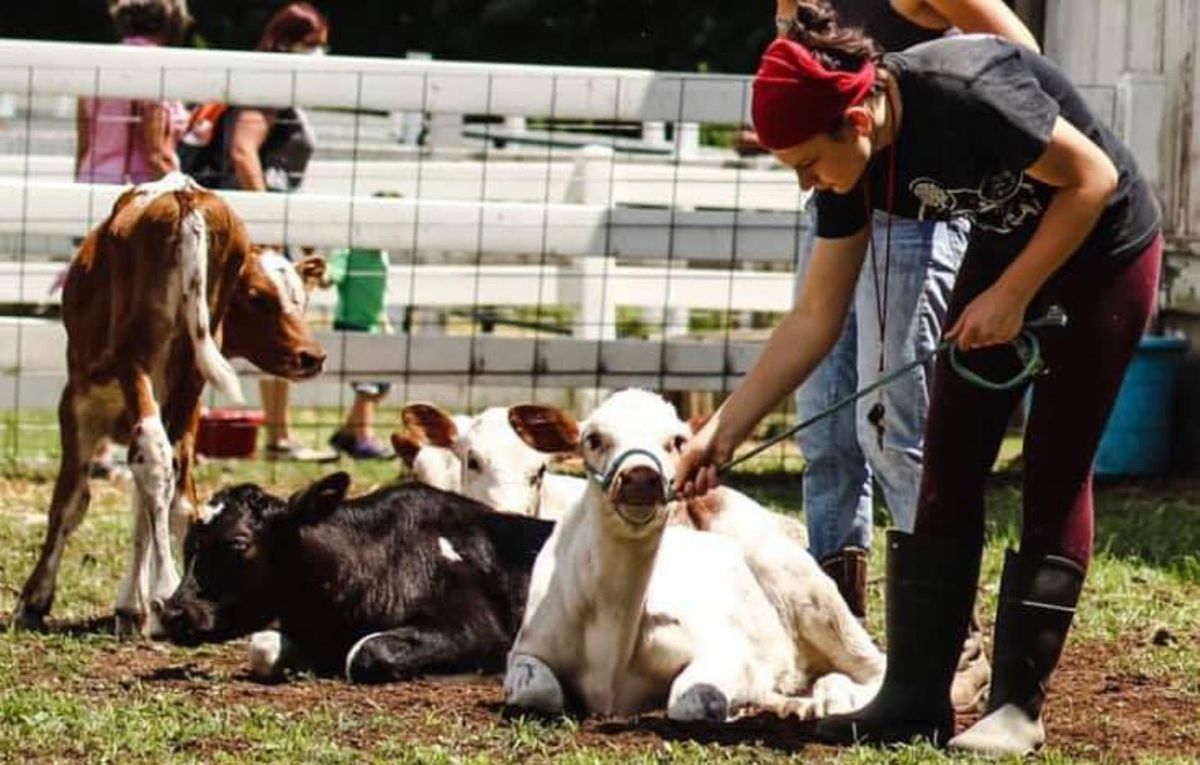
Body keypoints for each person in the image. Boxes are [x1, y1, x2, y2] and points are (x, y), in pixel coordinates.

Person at [676, 9, 1160, 755]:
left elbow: (1091, 179)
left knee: (1054, 469)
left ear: (854, 119)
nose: (808, 181)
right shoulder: (852, 165)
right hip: (1010, 255)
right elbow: (815, 316)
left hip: (1103, 251)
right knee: (947, 458)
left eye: (807, 161)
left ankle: (1016, 709)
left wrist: (1012, 295)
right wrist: (724, 428)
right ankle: (914, 695)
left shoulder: (965, 86)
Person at [772, 0, 1038, 714]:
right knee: (825, 432)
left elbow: (1020, 60)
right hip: (842, 200)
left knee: (892, 431)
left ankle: (952, 641)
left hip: (914, 215)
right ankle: (838, 635)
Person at [75, 0, 192, 479]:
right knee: (140, 326)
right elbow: (153, 148)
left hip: (89, 187)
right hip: (139, 201)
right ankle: (141, 433)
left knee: (92, 321)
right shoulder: (154, 69)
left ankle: (95, 440)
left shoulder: (97, 68)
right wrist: (190, 190)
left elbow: (84, 141)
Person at [217, 3, 329, 460]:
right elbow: (244, 152)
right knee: (275, 327)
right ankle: (278, 436)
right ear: (290, 42)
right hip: (258, 229)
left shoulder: (280, 90)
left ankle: (279, 433)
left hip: (273, 224)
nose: (320, 52)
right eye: (314, 43)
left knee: (284, 328)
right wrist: (268, 221)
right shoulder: (268, 91)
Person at [326, 241, 393, 460]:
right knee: (367, 385)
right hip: (352, 325)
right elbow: (329, 277)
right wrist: (323, 273)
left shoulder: (382, 254)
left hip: (374, 326)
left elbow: (378, 293)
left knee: (382, 386)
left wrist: (384, 321)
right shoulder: (347, 252)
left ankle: (347, 434)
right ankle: (364, 439)